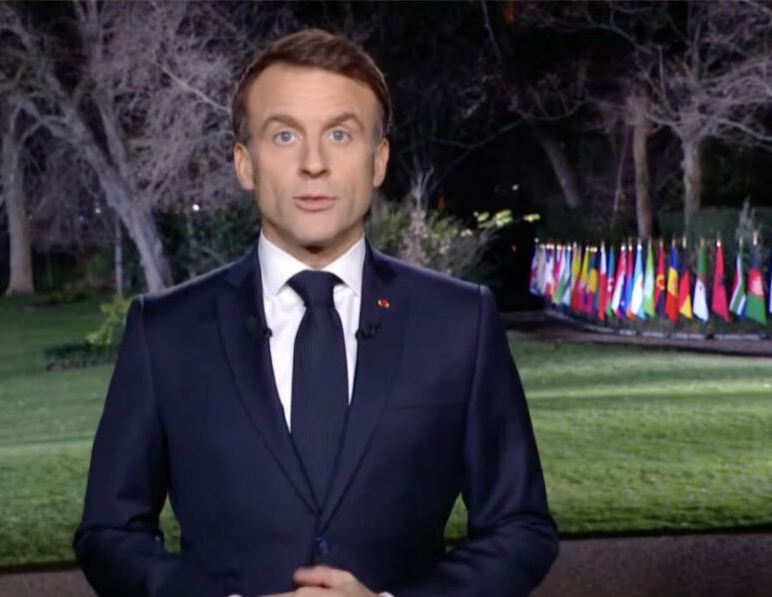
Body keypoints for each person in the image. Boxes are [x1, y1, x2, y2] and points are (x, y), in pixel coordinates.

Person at [74, 28, 559, 597]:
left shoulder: (459, 322)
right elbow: (110, 533)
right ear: (245, 163)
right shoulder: (166, 332)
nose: (313, 163)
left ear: (378, 161)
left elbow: (519, 529)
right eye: (284, 136)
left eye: (339, 134)